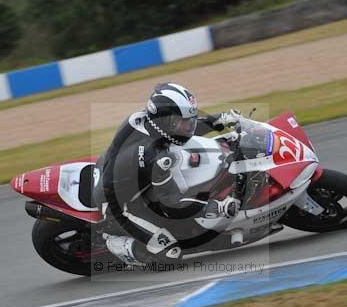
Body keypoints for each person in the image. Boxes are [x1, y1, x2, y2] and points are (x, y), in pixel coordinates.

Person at [94, 82, 240, 266]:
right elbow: (172, 202)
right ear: (164, 120)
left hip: (117, 170)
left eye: (191, 119)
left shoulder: (141, 119)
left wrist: (216, 121)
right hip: (118, 206)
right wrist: (215, 207)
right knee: (169, 256)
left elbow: (180, 133)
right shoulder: (155, 158)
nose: (189, 126)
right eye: (183, 121)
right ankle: (113, 240)